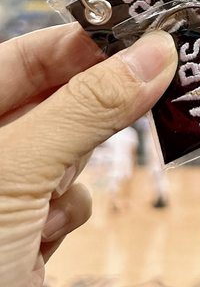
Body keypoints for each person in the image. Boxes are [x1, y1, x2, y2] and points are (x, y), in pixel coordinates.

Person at [0, 24, 178, 287]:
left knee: (92, 191)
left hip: (125, 161)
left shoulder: (128, 135)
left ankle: (126, 201)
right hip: (117, 162)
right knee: (94, 189)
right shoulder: (121, 133)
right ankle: (121, 202)